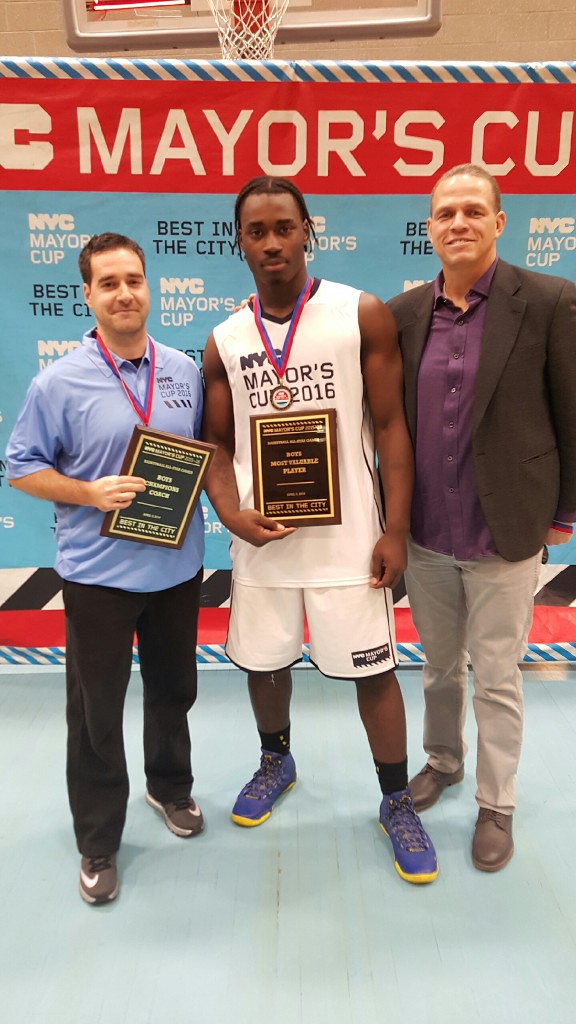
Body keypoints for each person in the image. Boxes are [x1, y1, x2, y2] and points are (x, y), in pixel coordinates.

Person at [201, 175, 438, 885]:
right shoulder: (222, 339)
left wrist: (395, 529)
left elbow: (393, 427)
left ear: (309, 231)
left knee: (373, 674)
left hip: (350, 543)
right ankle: (278, 760)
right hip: (263, 541)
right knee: (266, 663)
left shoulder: (358, 314)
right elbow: (215, 446)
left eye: (283, 226)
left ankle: (396, 800)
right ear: (238, 241)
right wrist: (228, 511)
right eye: (256, 230)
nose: (271, 242)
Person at [6, 233, 206, 905]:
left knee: (175, 690)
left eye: (134, 280)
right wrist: (89, 493)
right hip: (97, 576)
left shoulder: (183, 370)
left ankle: (169, 788)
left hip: (177, 569)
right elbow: (22, 468)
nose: (124, 293)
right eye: (109, 283)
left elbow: (211, 455)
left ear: (148, 288)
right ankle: (98, 840)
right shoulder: (56, 382)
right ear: (88, 295)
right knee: (95, 714)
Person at [387, 164, 576, 872]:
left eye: (472, 210)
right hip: (429, 532)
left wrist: (565, 510)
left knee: (496, 673)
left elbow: (571, 411)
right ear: (429, 227)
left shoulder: (551, 301)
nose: (457, 222)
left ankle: (497, 803)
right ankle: (444, 760)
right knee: (439, 666)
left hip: (507, 531)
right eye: (444, 213)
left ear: (500, 222)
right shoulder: (405, 314)